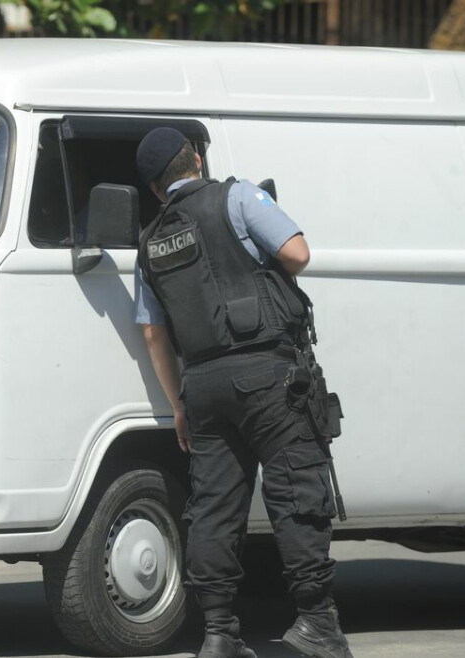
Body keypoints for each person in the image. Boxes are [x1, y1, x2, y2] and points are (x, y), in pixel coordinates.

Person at [133, 128, 351, 658]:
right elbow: (297, 254)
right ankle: (316, 622)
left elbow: (153, 335)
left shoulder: (149, 242)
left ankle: (219, 632)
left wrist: (179, 407)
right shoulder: (238, 196)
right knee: (296, 491)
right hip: (268, 377)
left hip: (203, 388)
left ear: (156, 190)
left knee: (214, 508)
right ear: (199, 160)